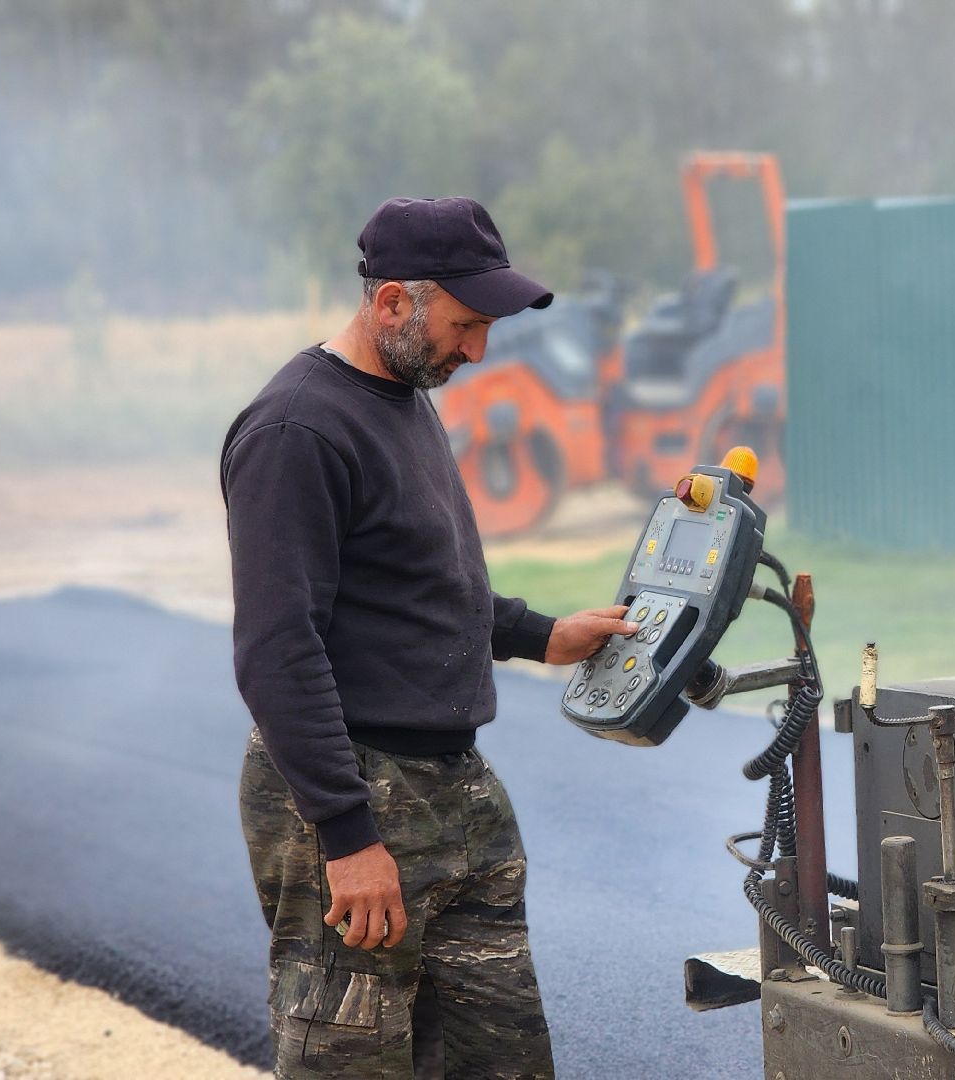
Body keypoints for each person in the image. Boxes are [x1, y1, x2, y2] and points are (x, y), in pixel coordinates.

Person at [223, 196, 635, 1079]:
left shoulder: (404, 395)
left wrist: (540, 634)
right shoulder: (296, 430)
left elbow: (421, 582)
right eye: (466, 324)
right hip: (356, 790)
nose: (478, 350)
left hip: (456, 790)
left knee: (503, 1061)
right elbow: (276, 648)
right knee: (355, 1062)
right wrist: (346, 835)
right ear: (392, 304)